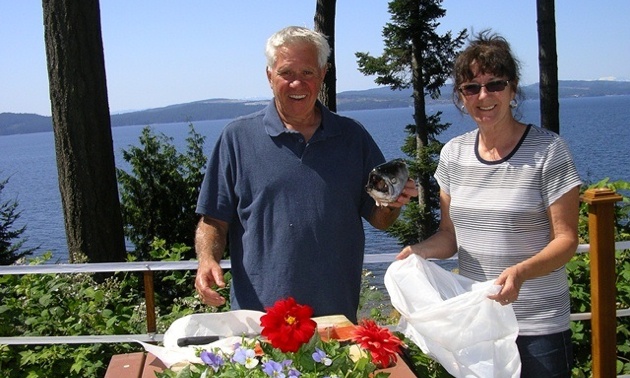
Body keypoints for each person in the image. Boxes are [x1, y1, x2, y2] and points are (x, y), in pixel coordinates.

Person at [194, 26, 417, 323]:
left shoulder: (352, 137)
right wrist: (207, 259)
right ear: (270, 75)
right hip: (258, 317)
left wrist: (392, 203)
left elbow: (379, 218)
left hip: (335, 314)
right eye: (286, 72)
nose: (297, 83)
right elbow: (213, 219)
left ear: (323, 74)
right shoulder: (237, 138)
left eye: (308, 72)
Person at [396, 30, 581, 377]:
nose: (483, 96)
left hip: (538, 329)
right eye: (471, 88)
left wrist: (521, 272)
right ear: (461, 97)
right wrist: (417, 252)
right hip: (480, 328)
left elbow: (566, 240)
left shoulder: (549, 152)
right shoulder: (454, 154)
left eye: (494, 84)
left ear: (512, 90)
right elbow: (449, 235)